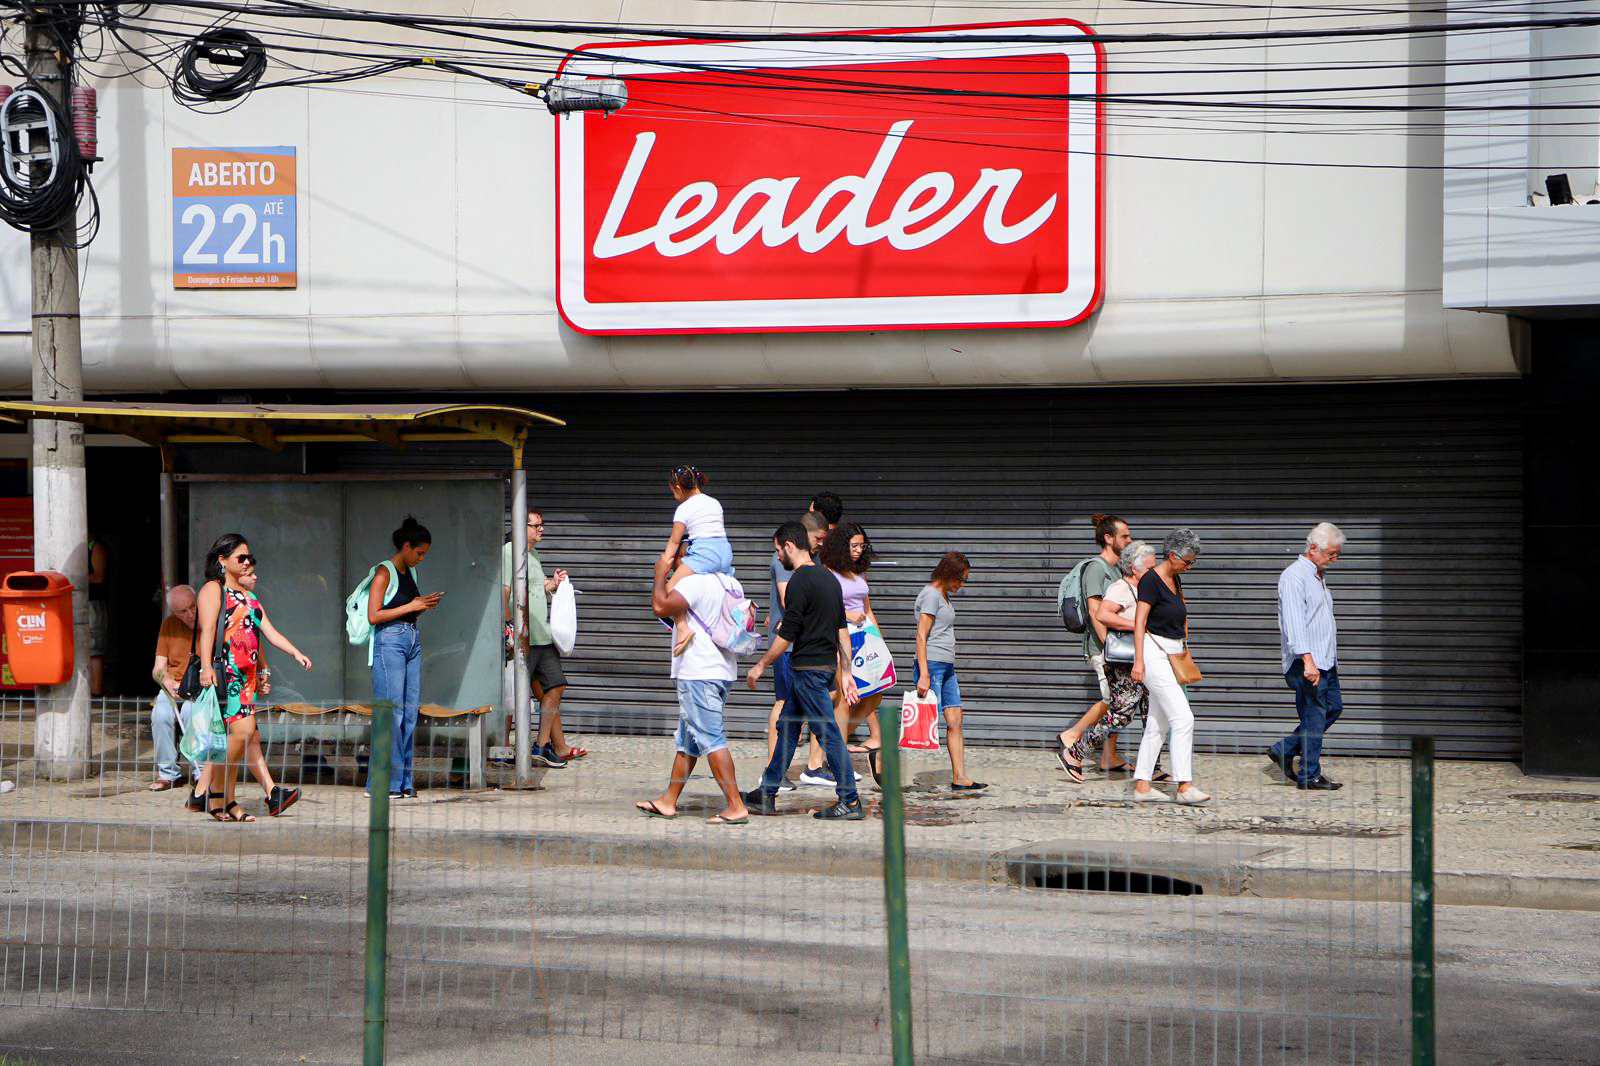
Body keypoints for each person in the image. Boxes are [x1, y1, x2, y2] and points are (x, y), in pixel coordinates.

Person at [743, 521, 862, 820]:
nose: (778, 557)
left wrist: (760, 664)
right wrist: (846, 672)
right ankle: (766, 793)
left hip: (808, 670)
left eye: (778, 550)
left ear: (789, 546)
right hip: (817, 668)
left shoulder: (799, 582)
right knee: (788, 727)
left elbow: (787, 634)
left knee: (828, 733)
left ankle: (849, 801)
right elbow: (841, 629)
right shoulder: (829, 580)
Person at [195, 535, 312, 822]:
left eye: (249, 558)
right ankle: (220, 798)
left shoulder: (250, 597)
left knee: (240, 738)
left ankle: (221, 799)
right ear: (222, 561)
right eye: (241, 558)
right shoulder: (214, 590)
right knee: (242, 735)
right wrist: (206, 667)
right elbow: (207, 631)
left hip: (247, 680)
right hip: (228, 675)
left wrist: (296, 653)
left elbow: (269, 634)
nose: (247, 563)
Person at [635, 540, 750, 825]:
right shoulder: (731, 583)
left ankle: (735, 806)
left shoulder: (694, 584)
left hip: (698, 671)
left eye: (682, 554)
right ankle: (668, 800)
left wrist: (660, 575)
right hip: (722, 669)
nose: (678, 560)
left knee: (711, 738)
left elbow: (660, 606)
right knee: (688, 740)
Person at [1130, 528, 1211, 805]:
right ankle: (1184, 785)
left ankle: (1142, 786)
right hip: (1155, 655)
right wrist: (1138, 661)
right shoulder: (1151, 581)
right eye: (1187, 561)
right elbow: (1139, 622)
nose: (1190, 566)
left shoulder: (1176, 579)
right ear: (1173, 555)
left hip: (1173, 653)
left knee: (1158, 723)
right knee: (1183, 718)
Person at [1063, 542, 1157, 777]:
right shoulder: (1121, 588)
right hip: (1124, 662)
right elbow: (1102, 614)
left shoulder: (1143, 590)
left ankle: (1151, 768)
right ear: (1135, 569)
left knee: (1151, 712)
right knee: (1121, 712)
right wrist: (1138, 626)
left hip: (1145, 659)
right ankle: (1075, 751)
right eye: (1150, 568)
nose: (1154, 572)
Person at [367, 517, 443, 801]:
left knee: (410, 714)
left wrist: (421, 606)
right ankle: (386, 782)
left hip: (411, 639)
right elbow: (374, 615)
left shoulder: (411, 573)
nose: (421, 559)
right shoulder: (384, 573)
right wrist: (412, 604)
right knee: (392, 712)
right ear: (406, 546)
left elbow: (405, 609)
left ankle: (403, 780)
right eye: (419, 552)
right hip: (389, 641)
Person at [1056, 514, 1134, 780]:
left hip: (1116, 646)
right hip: (1103, 648)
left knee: (1119, 701)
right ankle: (1073, 735)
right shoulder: (1097, 568)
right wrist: (1110, 649)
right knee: (1112, 699)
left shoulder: (1117, 569)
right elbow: (1094, 611)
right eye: (1125, 536)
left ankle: (1109, 755)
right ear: (1108, 538)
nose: (1129, 540)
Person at [1270, 522, 1347, 791]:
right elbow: (1294, 622)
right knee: (1314, 715)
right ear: (1313, 548)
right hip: (1308, 661)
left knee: (1333, 708)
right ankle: (1309, 775)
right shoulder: (1294, 577)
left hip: (1325, 659)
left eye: (1337, 554)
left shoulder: (1317, 574)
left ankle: (1285, 748)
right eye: (1331, 554)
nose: (1334, 559)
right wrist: (1308, 660)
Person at [501, 510, 578, 767]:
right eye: (537, 525)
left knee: (556, 686)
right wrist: (507, 628)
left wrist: (553, 584)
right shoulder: (510, 551)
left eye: (542, 525)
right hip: (522, 636)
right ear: (523, 527)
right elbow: (504, 592)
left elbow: (536, 589)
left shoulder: (533, 554)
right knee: (513, 695)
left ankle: (541, 745)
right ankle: (503, 748)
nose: (542, 529)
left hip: (541, 635)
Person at [915, 551, 987, 791]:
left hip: (946, 667)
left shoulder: (943, 595)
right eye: (961, 579)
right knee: (924, 725)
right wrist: (924, 673)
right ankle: (882, 757)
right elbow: (921, 636)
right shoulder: (931, 595)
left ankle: (959, 777)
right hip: (932, 666)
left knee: (955, 719)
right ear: (948, 574)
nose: (962, 584)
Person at [821, 523, 885, 781]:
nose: (859, 551)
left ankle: (836, 745)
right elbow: (824, 609)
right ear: (841, 546)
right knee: (847, 698)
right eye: (854, 546)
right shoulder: (828, 573)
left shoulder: (858, 572)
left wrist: (879, 641)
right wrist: (847, 614)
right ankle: (836, 759)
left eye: (862, 546)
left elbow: (868, 609)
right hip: (840, 639)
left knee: (874, 695)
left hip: (865, 638)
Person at [769, 511, 826, 790]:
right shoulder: (789, 562)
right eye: (818, 538)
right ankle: (771, 779)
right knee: (786, 714)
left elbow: (795, 617)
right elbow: (789, 603)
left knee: (804, 719)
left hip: (803, 655)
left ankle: (842, 790)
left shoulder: (809, 570)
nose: (821, 544)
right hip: (794, 652)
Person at [662, 465, 734, 656]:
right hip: (725, 553)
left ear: (678, 486)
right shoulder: (714, 503)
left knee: (669, 592)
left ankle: (683, 628)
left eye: (672, 491)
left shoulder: (684, 508)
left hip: (704, 553)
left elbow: (674, 541)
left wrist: (664, 562)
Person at [149, 584, 198, 791]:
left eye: (193, 607)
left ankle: (201, 772)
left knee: (191, 712)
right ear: (174, 613)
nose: (190, 614)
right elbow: (158, 668)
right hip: (174, 686)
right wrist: (167, 681)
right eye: (183, 611)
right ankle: (168, 774)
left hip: (198, 686)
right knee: (159, 715)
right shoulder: (168, 625)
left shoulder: (208, 622)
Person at [87, 534, 108, 696]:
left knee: (94, 648)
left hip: (92, 604)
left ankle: (96, 691)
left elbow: (98, 576)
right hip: (79, 603)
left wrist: (73, 577)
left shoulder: (96, 546)